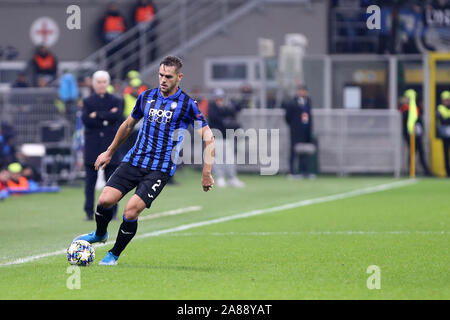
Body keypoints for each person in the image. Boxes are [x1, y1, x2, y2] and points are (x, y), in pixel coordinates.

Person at [73, 56, 215, 265]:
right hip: (135, 160)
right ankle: (100, 234)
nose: (163, 80)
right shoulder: (146, 96)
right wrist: (109, 151)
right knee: (104, 200)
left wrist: (206, 173)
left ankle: (113, 254)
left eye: (168, 76)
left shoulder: (187, 104)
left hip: (160, 169)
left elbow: (208, 136)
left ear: (179, 77)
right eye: (160, 75)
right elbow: (128, 125)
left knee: (131, 210)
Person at [81, 70, 124, 221]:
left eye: (104, 82)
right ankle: (88, 212)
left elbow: (117, 116)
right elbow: (87, 120)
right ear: (94, 84)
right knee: (90, 183)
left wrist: (97, 115)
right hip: (93, 148)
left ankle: (113, 212)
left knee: (112, 182)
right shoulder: (87, 102)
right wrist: (106, 116)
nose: (101, 85)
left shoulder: (116, 100)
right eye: (98, 82)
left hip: (109, 148)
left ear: (108, 83)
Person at [208, 88, 244, 188]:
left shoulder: (227, 106)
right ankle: (220, 177)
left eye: (221, 98)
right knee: (218, 158)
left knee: (230, 158)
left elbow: (235, 111)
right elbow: (217, 119)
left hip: (228, 136)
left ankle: (232, 178)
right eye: (217, 99)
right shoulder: (212, 107)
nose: (219, 100)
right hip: (217, 136)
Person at [284, 85, 315, 179]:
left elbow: (309, 116)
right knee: (294, 151)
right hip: (295, 131)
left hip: (305, 130)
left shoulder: (308, 102)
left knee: (304, 151)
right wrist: (294, 126)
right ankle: (292, 171)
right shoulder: (292, 102)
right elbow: (287, 117)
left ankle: (304, 171)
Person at [399, 91, 431, 176]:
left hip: (417, 134)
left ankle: (426, 171)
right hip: (409, 134)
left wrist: (421, 130)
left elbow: (419, 120)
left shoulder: (415, 108)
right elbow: (406, 122)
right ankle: (411, 170)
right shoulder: (405, 109)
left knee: (420, 152)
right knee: (412, 152)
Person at [437, 90, 450, 177]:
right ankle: (448, 172)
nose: (447, 101)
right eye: (446, 100)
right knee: (445, 153)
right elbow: (442, 120)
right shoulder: (440, 108)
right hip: (445, 134)